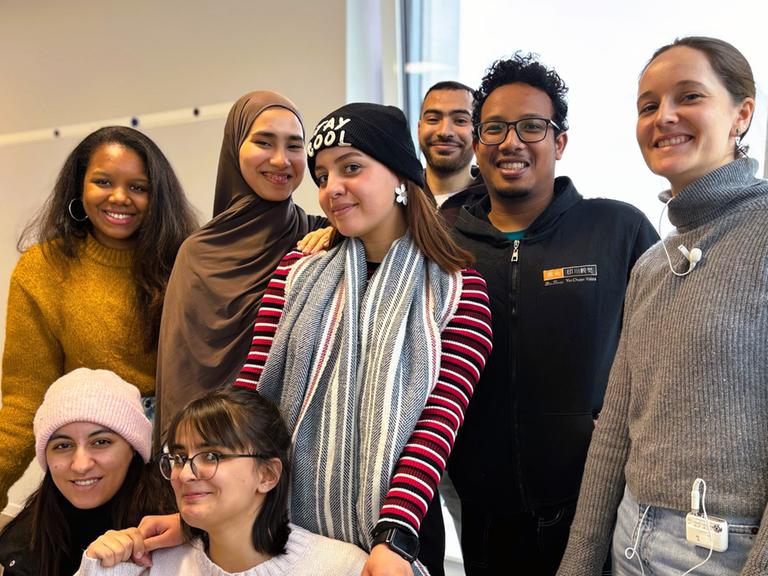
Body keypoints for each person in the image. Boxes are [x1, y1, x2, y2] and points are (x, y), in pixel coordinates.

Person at [232, 103, 493, 576]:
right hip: (285, 533)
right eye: (322, 175)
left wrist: (394, 535)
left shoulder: (458, 289)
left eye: (351, 167)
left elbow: (436, 427)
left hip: (398, 537)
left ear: (399, 176)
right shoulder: (294, 273)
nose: (332, 189)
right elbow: (252, 398)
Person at [557, 36, 767, 576]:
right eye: (648, 105)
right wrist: (578, 563)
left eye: (689, 96)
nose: (663, 117)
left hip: (731, 553)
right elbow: (616, 430)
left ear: (741, 114)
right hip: (632, 538)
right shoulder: (652, 263)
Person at [447, 53, 659, 575]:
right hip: (483, 512)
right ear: (477, 144)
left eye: (532, 127)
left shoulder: (617, 230)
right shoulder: (445, 244)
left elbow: (663, 355)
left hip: (594, 508)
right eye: (494, 128)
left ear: (559, 141)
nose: (511, 142)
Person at [0, 126, 197, 511]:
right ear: (79, 188)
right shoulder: (41, 270)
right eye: (103, 182)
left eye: (139, 187)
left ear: (158, 197)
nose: (120, 197)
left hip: (177, 467)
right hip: (88, 471)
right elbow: (24, 400)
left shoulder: (188, 263)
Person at [154, 90, 330, 447]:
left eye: (295, 146)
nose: (281, 160)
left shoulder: (318, 239)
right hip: (213, 457)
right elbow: (180, 383)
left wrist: (340, 231)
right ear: (235, 147)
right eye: (264, 142)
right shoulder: (199, 254)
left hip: (301, 454)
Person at [76, 387, 369, 576]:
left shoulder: (342, 568)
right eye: (178, 458)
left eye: (211, 455)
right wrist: (99, 569)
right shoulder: (151, 564)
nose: (185, 474)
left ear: (267, 475)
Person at [0, 368, 174, 576]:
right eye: (63, 446)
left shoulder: (176, 522)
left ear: (134, 449)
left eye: (101, 442)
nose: (81, 465)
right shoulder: (26, 542)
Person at [418, 81, 486, 226]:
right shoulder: (397, 196)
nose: (444, 132)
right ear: (419, 129)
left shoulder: (494, 202)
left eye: (460, 121)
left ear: (479, 132)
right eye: (433, 120)